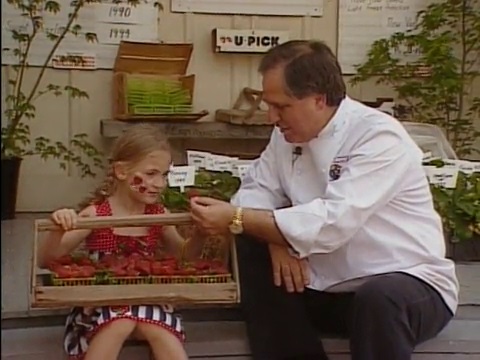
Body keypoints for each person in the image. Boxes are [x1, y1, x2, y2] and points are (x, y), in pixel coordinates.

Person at [190, 40, 459, 360]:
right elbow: (256, 188)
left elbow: (333, 223)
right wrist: (274, 239)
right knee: (252, 247)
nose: (271, 117)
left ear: (318, 99)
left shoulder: (378, 137)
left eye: (281, 106)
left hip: (406, 286)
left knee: (379, 298)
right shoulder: (284, 136)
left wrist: (243, 219)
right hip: (323, 287)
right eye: (269, 105)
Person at [38, 124, 203, 360]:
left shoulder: (159, 215)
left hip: (148, 298)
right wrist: (58, 228)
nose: (159, 183)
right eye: (150, 174)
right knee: (121, 322)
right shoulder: (97, 215)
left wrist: (201, 234)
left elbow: (185, 256)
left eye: (164, 175)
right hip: (100, 303)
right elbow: (47, 259)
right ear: (121, 171)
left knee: (159, 329)